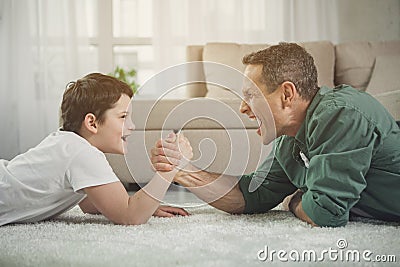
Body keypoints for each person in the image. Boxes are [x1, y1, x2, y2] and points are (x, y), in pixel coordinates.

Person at [151, 42, 400, 227]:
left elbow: (325, 214)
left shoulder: (340, 115)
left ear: (287, 95)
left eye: (251, 95)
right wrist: (184, 170)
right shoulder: (288, 141)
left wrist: (293, 201)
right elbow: (250, 196)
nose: (242, 107)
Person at [0, 73, 189, 226]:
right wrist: (170, 168)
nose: (132, 126)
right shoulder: (82, 153)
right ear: (92, 122)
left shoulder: (69, 144)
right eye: (123, 117)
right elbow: (130, 216)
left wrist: (148, 206)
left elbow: (90, 203)